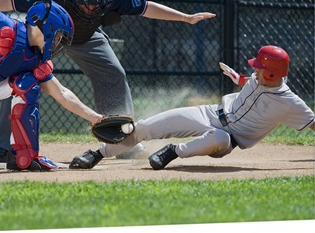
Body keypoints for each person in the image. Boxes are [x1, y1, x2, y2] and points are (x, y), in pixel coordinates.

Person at [0, 0, 216, 163]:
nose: (90, 6)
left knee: (114, 73)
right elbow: (9, 1)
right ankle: (2, 148)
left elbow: (146, 8)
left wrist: (185, 17)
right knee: (18, 76)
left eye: (95, 2)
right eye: (85, 1)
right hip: (48, 35)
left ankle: (123, 140)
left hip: (87, 38)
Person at [69, 45, 315, 170]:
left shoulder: (290, 102)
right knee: (145, 126)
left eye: (258, 68)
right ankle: (98, 154)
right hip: (209, 112)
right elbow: (248, 81)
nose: (254, 70)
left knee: (218, 135)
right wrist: (237, 77)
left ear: (272, 74)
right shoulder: (261, 77)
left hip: (228, 138)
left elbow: (313, 122)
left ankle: (173, 152)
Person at [0, 0, 103, 174]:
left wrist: (96, 118)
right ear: (48, 26)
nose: (58, 42)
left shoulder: (36, 59)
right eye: (59, 36)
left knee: (28, 83)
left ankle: (23, 156)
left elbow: (62, 93)